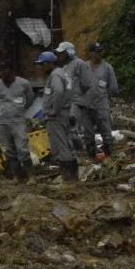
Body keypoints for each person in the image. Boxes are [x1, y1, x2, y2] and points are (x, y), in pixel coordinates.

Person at [37, 51, 79, 181]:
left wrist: (54, 110)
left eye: (43, 64)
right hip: (66, 113)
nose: (41, 67)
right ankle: (73, 177)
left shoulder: (55, 75)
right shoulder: (63, 72)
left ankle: (67, 179)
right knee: (67, 145)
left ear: (50, 63)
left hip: (57, 116)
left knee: (60, 147)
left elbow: (59, 91)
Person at [0, 63, 35, 181]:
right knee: (9, 150)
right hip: (3, 122)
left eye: (3, 71)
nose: (0, 74)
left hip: (18, 121)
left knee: (22, 149)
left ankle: (31, 176)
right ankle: (16, 176)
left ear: (10, 70)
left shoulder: (24, 83)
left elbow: (30, 99)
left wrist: (20, 109)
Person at [81, 42, 119, 159]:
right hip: (86, 106)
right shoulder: (84, 67)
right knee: (88, 133)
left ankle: (109, 156)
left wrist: (103, 95)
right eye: (96, 52)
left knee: (106, 131)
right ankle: (92, 157)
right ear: (91, 53)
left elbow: (113, 87)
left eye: (100, 51)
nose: (99, 54)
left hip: (101, 105)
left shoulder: (107, 67)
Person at [55, 41, 94, 152]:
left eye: (62, 53)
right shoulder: (64, 66)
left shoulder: (80, 63)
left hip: (76, 101)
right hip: (67, 101)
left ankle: (79, 152)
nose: (59, 55)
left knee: (72, 127)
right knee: (68, 127)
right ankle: (75, 151)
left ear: (69, 52)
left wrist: (77, 94)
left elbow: (86, 83)